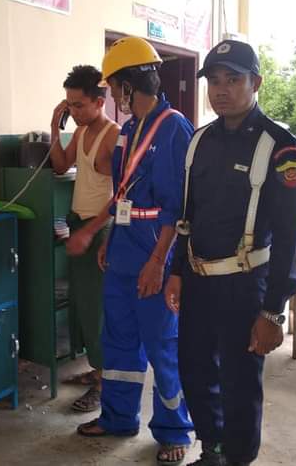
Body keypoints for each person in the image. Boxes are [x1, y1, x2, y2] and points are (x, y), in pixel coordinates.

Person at [164, 39, 296, 466]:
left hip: (246, 285)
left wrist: (273, 311)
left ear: (256, 83)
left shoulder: (280, 148)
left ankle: (238, 459)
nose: (221, 90)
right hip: (198, 281)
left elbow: (289, 238)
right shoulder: (200, 140)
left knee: (239, 383)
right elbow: (188, 216)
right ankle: (213, 449)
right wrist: (177, 270)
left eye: (233, 79)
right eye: (214, 80)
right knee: (194, 371)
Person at [76, 37, 194, 466]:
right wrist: (109, 237)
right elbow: (122, 194)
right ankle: (119, 417)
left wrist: (159, 261)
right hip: (124, 246)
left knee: (162, 343)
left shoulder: (174, 128)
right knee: (118, 340)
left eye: (113, 86)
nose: (112, 95)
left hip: (154, 250)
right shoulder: (128, 130)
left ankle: (174, 430)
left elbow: (178, 206)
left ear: (128, 85)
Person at [49, 65, 120, 413]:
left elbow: (121, 194)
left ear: (99, 101)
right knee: (82, 304)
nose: (73, 111)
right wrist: (55, 126)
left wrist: (90, 233)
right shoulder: (79, 131)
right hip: (79, 223)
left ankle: (105, 382)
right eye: (69, 105)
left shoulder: (113, 135)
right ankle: (97, 370)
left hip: (98, 227)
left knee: (96, 309)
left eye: (78, 105)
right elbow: (60, 166)